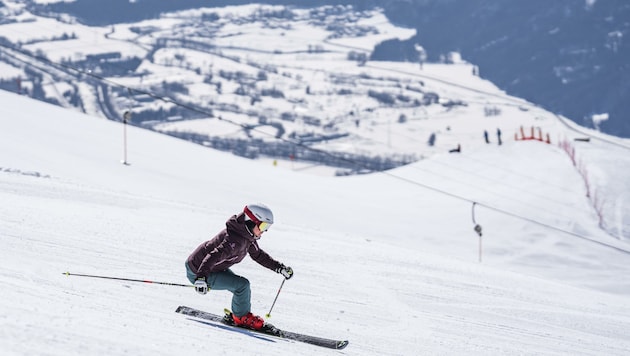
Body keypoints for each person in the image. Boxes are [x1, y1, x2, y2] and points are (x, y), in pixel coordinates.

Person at [185, 203, 293, 330]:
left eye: (267, 227)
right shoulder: (233, 240)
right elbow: (212, 256)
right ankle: (241, 317)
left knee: (241, 286)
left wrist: (279, 267)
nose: (264, 230)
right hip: (198, 271)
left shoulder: (247, 237)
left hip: (211, 269)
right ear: (251, 222)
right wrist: (201, 278)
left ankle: (239, 314)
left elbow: (258, 255)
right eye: (263, 226)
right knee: (242, 286)